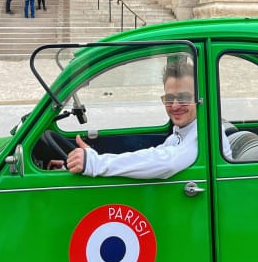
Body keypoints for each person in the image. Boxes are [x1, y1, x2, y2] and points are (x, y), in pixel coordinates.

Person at [62, 56, 231, 179]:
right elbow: (154, 155)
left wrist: (96, 163)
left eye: (184, 98)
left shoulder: (204, 134)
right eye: (169, 98)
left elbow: (167, 162)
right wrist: (73, 162)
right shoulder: (180, 134)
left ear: (200, 99)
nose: (175, 106)